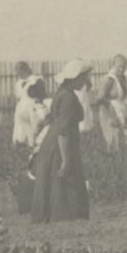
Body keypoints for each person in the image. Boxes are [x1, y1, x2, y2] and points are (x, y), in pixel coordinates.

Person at [31, 59, 92, 222]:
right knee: (64, 176)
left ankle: (60, 215)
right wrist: (65, 158)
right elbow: (62, 131)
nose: (86, 80)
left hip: (59, 140)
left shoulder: (64, 93)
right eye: (83, 77)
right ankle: (64, 216)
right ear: (75, 78)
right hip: (61, 143)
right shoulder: (68, 98)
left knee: (60, 180)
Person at [93, 56, 127, 148]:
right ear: (113, 66)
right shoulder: (109, 79)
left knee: (126, 140)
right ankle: (112, 160)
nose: (121, 69)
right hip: (110, 111)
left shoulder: (126, 79)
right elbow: (100, 100)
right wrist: (110, 117)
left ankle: (125, 161)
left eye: (123, 67)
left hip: (124, 110)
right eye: (118, 66)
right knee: (114, 141)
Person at [11, 62, 44, 146]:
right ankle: (20, 144)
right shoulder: (19, 83)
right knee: (20, 127)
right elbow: (18, 97)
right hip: (21, 108)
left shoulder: (36, 80)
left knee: (33, 128)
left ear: (23, 70)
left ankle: (32, 145)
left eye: (17, 70)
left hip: (32, 107)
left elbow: (42, 96)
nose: (16, 73)